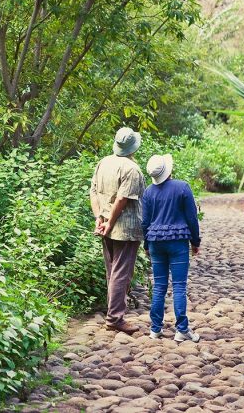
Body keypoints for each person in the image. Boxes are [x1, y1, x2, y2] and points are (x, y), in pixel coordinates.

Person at [90, 127, 145, 334]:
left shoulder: (103, 162)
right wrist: (110, 222)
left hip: (106, 225)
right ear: (133, 147)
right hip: (124, 228)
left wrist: (100, 218)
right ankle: (115, 318)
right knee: (121, 272)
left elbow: (93, 192)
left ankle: (114, 314)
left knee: (112, 271)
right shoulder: (131, 169)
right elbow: (122, 199)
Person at [141, 154, 201, 343]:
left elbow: (145, 222)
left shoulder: (149, 192)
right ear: (169, 170)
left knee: (159, 286)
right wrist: (195, 241)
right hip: (178, 242)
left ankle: (155, 329)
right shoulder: (182, 187)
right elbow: (192, 217)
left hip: (155, 242)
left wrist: (146, 244)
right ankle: (182, 329)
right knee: (179, 286)